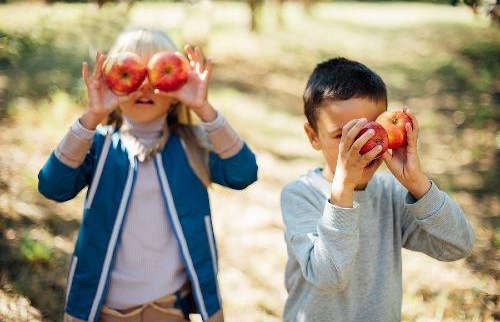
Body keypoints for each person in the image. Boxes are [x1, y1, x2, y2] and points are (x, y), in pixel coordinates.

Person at [38, 29, 258, 322]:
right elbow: (53, 186)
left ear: (175, 87)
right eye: (132, 73)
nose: (142, 87)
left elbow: (243, 173)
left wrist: (204, 109)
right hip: (104, 310)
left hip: (170, 309)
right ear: (112, 80)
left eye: (153, 74)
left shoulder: (191, 144)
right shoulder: (99, 145)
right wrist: (91, 117)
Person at [280, 57, 474, 321]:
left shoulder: (391, 195)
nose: (363, 143)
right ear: (313, 137)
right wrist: (343, 190)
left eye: (373, 129)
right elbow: (329, 276)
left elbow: (458, 245)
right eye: (343, 135)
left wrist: (417, 183)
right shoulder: (300, 195)